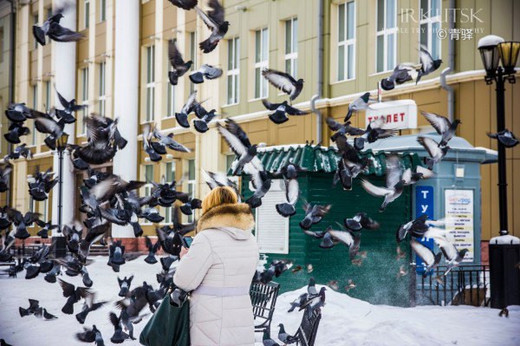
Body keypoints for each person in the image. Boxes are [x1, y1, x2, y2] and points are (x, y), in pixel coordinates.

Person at [173, 186, 259, 346]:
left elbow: (184, 281)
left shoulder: (206, 238)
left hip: (211, 320)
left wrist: (184, 258)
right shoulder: (251, 239)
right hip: (242, 315)